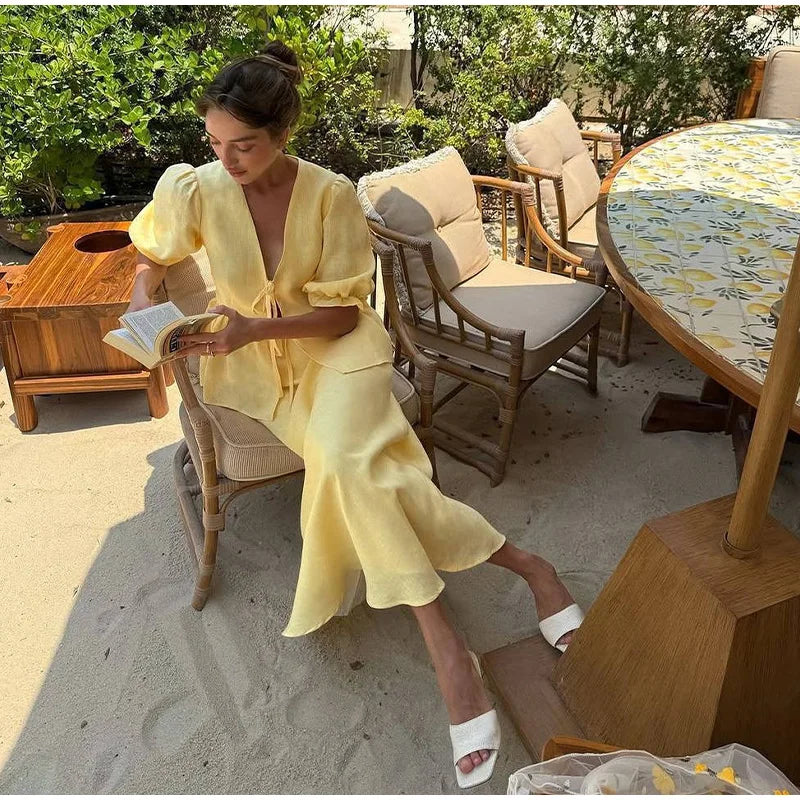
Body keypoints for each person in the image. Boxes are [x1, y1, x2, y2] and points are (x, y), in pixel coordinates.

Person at [125, 40, 584, 789]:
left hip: (336, 353)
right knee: (369, 468)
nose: (227, 160)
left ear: (283, 136)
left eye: (244, 146)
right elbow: (153, 243)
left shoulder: (332, 194)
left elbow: (342, 317)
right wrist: (145, 291)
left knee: (341, 460)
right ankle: (527, 566)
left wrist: (254, 327)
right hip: (254, 376)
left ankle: (445, 651)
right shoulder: (196, 189)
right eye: (214, 142)